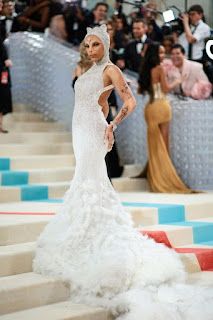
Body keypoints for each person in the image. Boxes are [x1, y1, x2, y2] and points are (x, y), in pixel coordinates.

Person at [33, 25, 213, 320]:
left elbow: (128, 100)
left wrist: (111, 125)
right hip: (78, 131)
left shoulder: (111, 69)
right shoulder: (85, 69)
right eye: (87, 45)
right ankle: (83, 225)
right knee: (83, 178)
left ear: (105, 45)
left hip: (94, 131)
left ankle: (97, 230)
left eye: (96, 45)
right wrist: (99, 111)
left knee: (93, 180)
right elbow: (92, 101)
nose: (91, 50)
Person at [138, 42, 195, 193]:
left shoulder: (144, 70)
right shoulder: (159, 68)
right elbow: (166, 89)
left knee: (154, 146)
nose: (163, 56)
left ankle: (154, 177)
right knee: (164, 146)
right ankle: (165, 179)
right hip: (162, 106)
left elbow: (139, 90)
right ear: (155, 54)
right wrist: (177, 81)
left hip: (149, 108)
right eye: (161, 53)